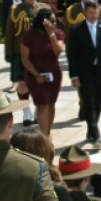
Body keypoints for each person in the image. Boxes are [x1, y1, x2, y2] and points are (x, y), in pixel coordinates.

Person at [67, 0, 101, 147]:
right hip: (84, 72)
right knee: (88, 102)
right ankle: (95, 134)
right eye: (90, 13)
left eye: (95, 13)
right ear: (85, 13)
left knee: (98, 102)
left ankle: (91, 128)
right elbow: (72, 55)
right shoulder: (77, 30)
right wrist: (74, 75)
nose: (93, 15)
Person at [5, 0, 50, 126]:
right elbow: (10, 32)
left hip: (40, 52)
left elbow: (51, 32)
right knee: (22, 84)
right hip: (20, 52)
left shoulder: (44, 8)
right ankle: (26, 112)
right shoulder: (15, 9)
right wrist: (9, 52)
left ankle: (38, 110)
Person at [20, 8, 64, 136]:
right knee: (42, 104)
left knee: (50, 103)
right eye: (51, 21)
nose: (54, 24)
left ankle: (47, 133)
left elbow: (57, 52)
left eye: (55, 22)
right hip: (34, 75)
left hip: (53, 74)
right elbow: (25, 58)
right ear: (42, 21)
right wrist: (36, 75)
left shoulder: (58, 33)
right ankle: (43, 136)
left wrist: (51, 34)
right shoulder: (29, 35)